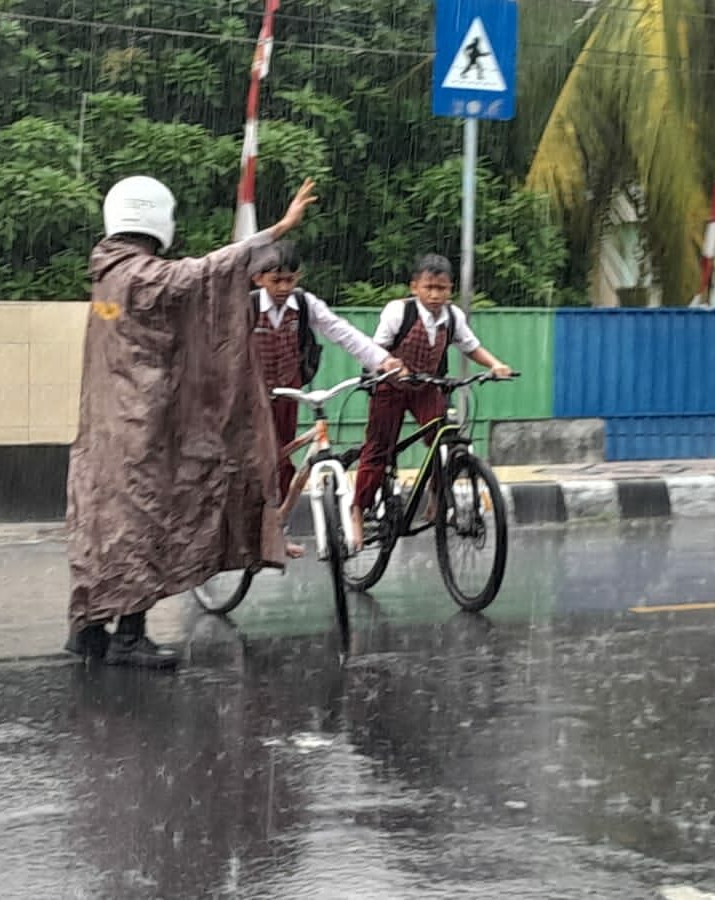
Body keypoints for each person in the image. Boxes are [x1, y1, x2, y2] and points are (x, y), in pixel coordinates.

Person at [65, 175, 318, 669]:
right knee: (140, 523)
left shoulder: (109, 273)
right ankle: (128, 637)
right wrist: (275, 231)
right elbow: (203, 275)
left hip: (106, 426)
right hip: (140, 426)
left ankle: (89, 629)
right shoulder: (141, 275)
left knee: (101, 522)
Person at [249, 241, 402, 556]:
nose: (283, 287)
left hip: (287, 393)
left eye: (289, 280)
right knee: (250, 463)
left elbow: (341, 332)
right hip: (248, 397)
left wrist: (381, 360)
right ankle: (238, 528)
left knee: (282, 465)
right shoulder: (246, 307)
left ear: (298, 277)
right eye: (275, 280)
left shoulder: (305, 305)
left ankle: (276, 532)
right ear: (258, 278)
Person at [350, 253, 512, 549]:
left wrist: (495, 365)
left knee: (446, 439)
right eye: (429, 288)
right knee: (377, 451)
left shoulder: (453, 317)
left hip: (427, 387)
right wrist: (391, 365)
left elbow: (471, 346)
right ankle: (357, 512)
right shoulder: (398, 312)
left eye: (442, 288)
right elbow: (375, 350)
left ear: (451, 289)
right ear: (415, 287)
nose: (436, 295)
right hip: (390, 387)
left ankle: (437, 500)